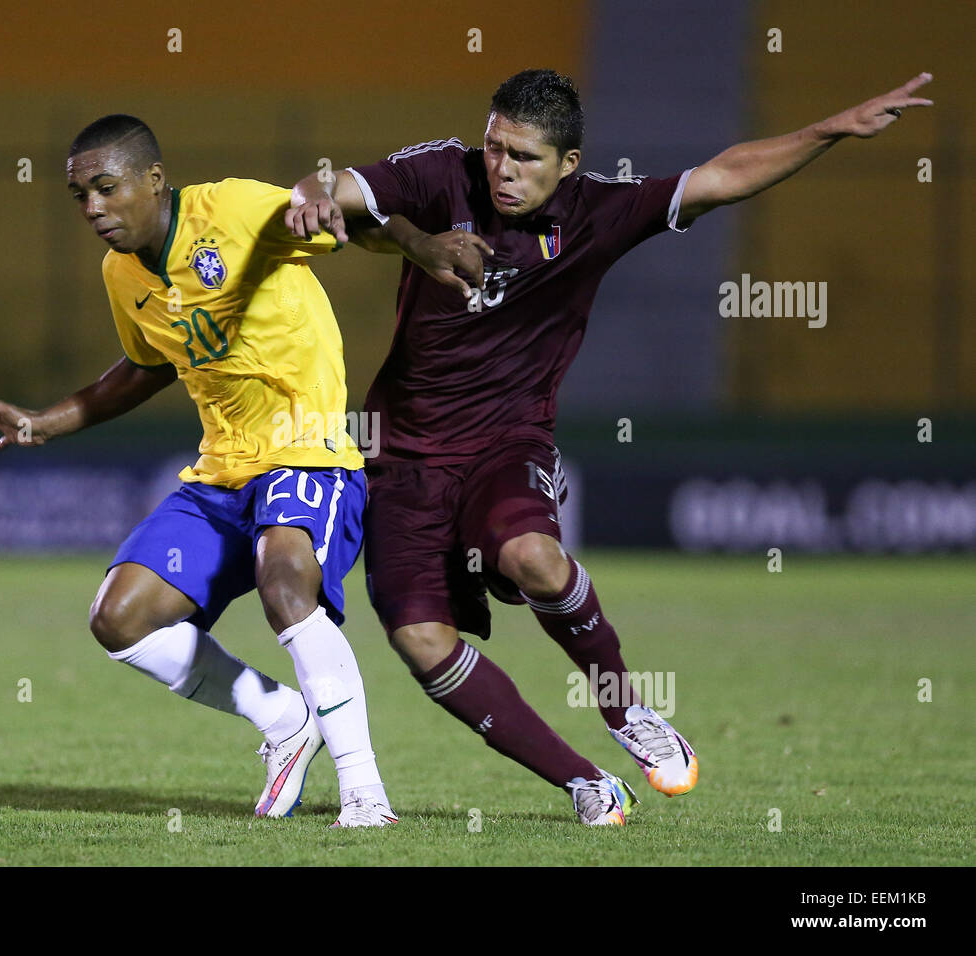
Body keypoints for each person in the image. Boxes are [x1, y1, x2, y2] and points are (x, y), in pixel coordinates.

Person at [286, 69, 933, 825]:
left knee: (533, 557)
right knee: (420, 641)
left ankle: (626, 711)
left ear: (566, 164)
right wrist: (319, 200)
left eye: (524, 157)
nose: (501, 168)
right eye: (495, 148)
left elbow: (721, 177)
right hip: (400, 459)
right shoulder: (444, 174)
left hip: (506, 440)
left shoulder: (600, 211)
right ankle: (584, 782)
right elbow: (335, 185)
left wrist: (830, 128)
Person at [0, 115, 396, 827]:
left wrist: (415, 238)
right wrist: (43, 420)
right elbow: (142, 369)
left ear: (154, 180)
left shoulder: (233, 210)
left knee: (285, 583)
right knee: (118, 617)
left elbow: (341, 204)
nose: (92, 208)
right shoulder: (121, 273)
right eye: (80, 196)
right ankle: (283, 719)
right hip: (222, 475)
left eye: (105, 188)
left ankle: (365, 794)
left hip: (307, 447)